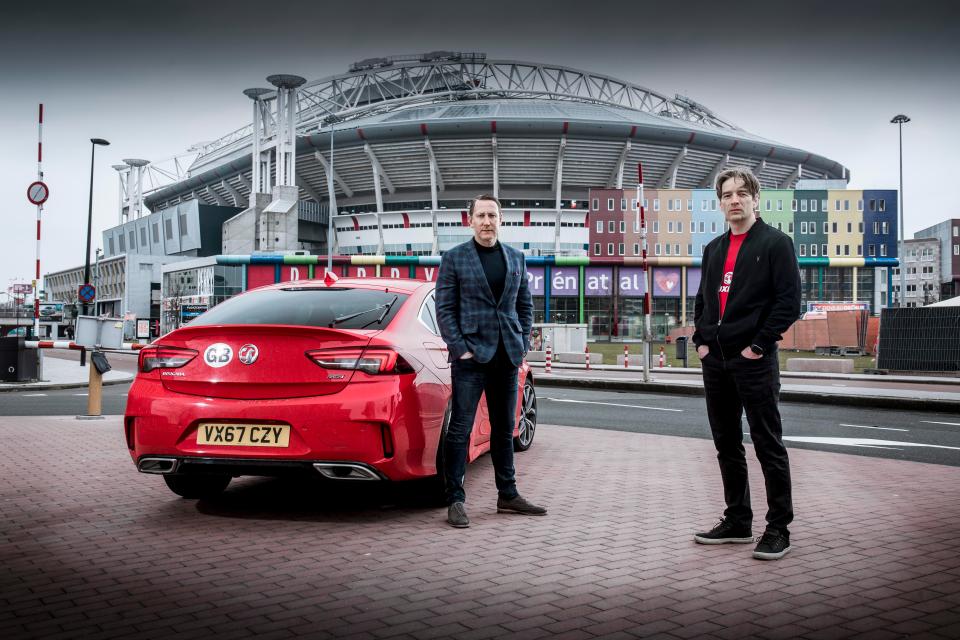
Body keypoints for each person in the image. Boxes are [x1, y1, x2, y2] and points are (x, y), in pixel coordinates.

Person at [692, 168, 801, 560]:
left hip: (753, 362)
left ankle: (778, 528)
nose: (734, 200)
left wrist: (758, 345)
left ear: (755, 198)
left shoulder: (776, 244)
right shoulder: (713, 249)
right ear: (720, 203)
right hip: (715, 362)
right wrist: (701, 340)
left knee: (768, 445)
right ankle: (738, 520)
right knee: (726, 445)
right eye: (727, 195)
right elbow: (703, 300)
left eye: (741, 193)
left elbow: (788, 304)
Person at [434, 194, 546, 528]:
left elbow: (524, 306)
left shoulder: (515, 257)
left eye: (492, 215)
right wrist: (460, 348)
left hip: (507, 357)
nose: (486, 221)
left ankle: (507, 495)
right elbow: (445, 309)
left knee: (504, 430)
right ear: (469, 220)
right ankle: (455, 499)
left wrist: (523, 342)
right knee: (460, 430)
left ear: (500, 220)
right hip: (470, 359)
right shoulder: (454, 258)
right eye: (480, 215)